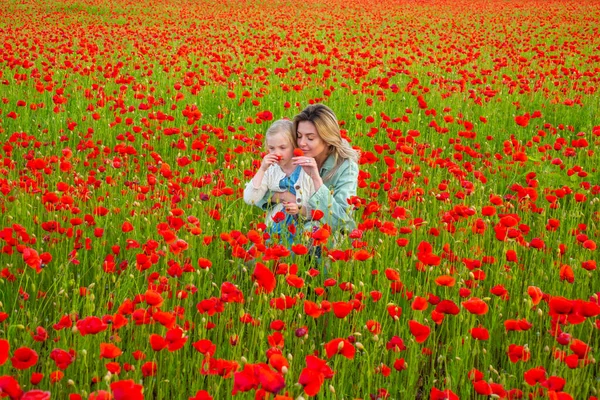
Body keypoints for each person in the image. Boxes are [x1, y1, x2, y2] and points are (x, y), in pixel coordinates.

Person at [250, 104, 359, 238]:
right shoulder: (291, 154)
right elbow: (257, 194)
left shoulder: (345, 167)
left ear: (328, 139)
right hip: (285, 225)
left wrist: (316, 180)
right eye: (299, 136)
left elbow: (343, 222)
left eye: (310, 138)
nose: (301, 143)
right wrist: (283, 196)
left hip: (324, 235)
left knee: (310, 233)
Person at [243, 119, 315, 244]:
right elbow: (250, 199)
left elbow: (318, 210)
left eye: (282, 147)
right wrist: (262, 169)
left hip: (302, 232)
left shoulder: (307, 170)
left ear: (294, 145)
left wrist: (299, 208)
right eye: (271, 148)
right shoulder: (270, 170)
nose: (277, 153)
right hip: (274, 230)